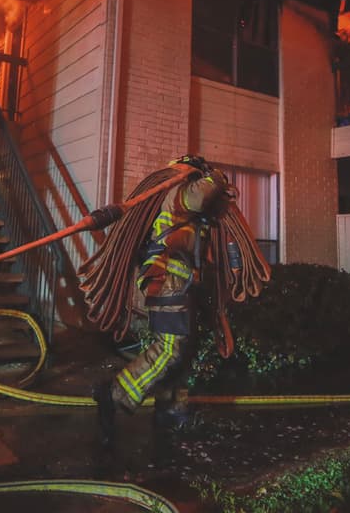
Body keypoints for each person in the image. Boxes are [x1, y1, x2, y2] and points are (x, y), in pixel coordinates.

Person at [76, 156, 271, 447]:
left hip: (182, 283)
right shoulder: (178, 195)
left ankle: (171, 408)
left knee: (185, 350)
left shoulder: (195, 215)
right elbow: (201, 193)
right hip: (167, 279)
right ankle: (114, 393)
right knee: (171, 348)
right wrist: (214, 174)